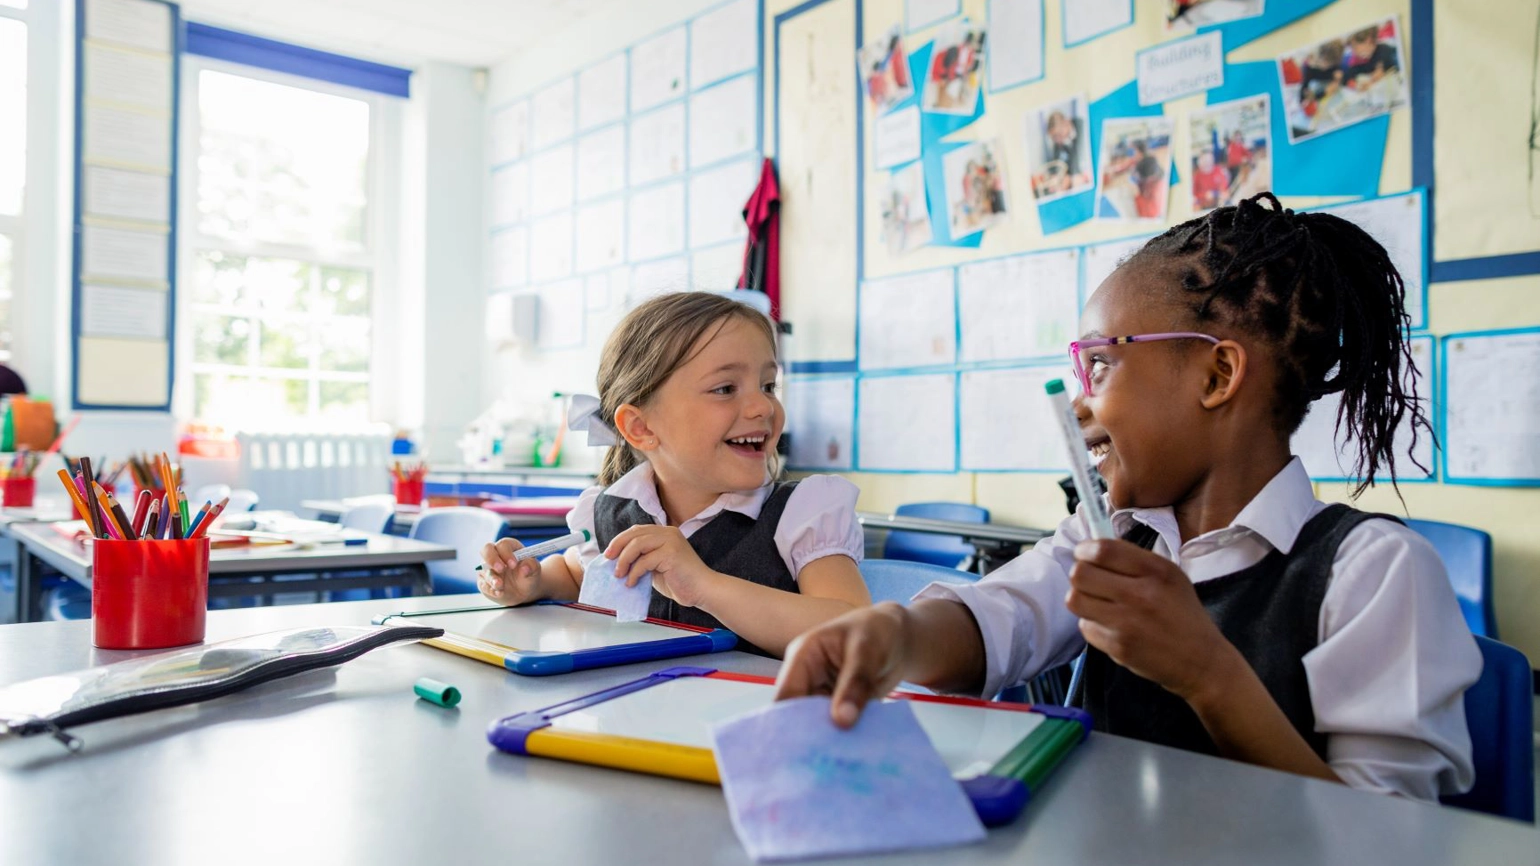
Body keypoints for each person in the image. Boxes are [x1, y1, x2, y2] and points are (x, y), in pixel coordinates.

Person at [776, 193, 1480, 802]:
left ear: (1217, 375)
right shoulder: (1112, 532)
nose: (1081, 405)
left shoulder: (1372, 573)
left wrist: (1208, 675)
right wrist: (896, 637)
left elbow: (1389, 838)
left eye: (1102, 365)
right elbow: (1001, 620)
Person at [478, 292, 870, 657]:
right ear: (641, 428)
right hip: (640, 718)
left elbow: (858, 634)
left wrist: (703, 586)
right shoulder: (613, 510)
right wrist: (533, 582)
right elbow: (574, 572)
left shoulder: (804, 513)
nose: (763, 407)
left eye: (768, 385)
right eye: (725, 388)